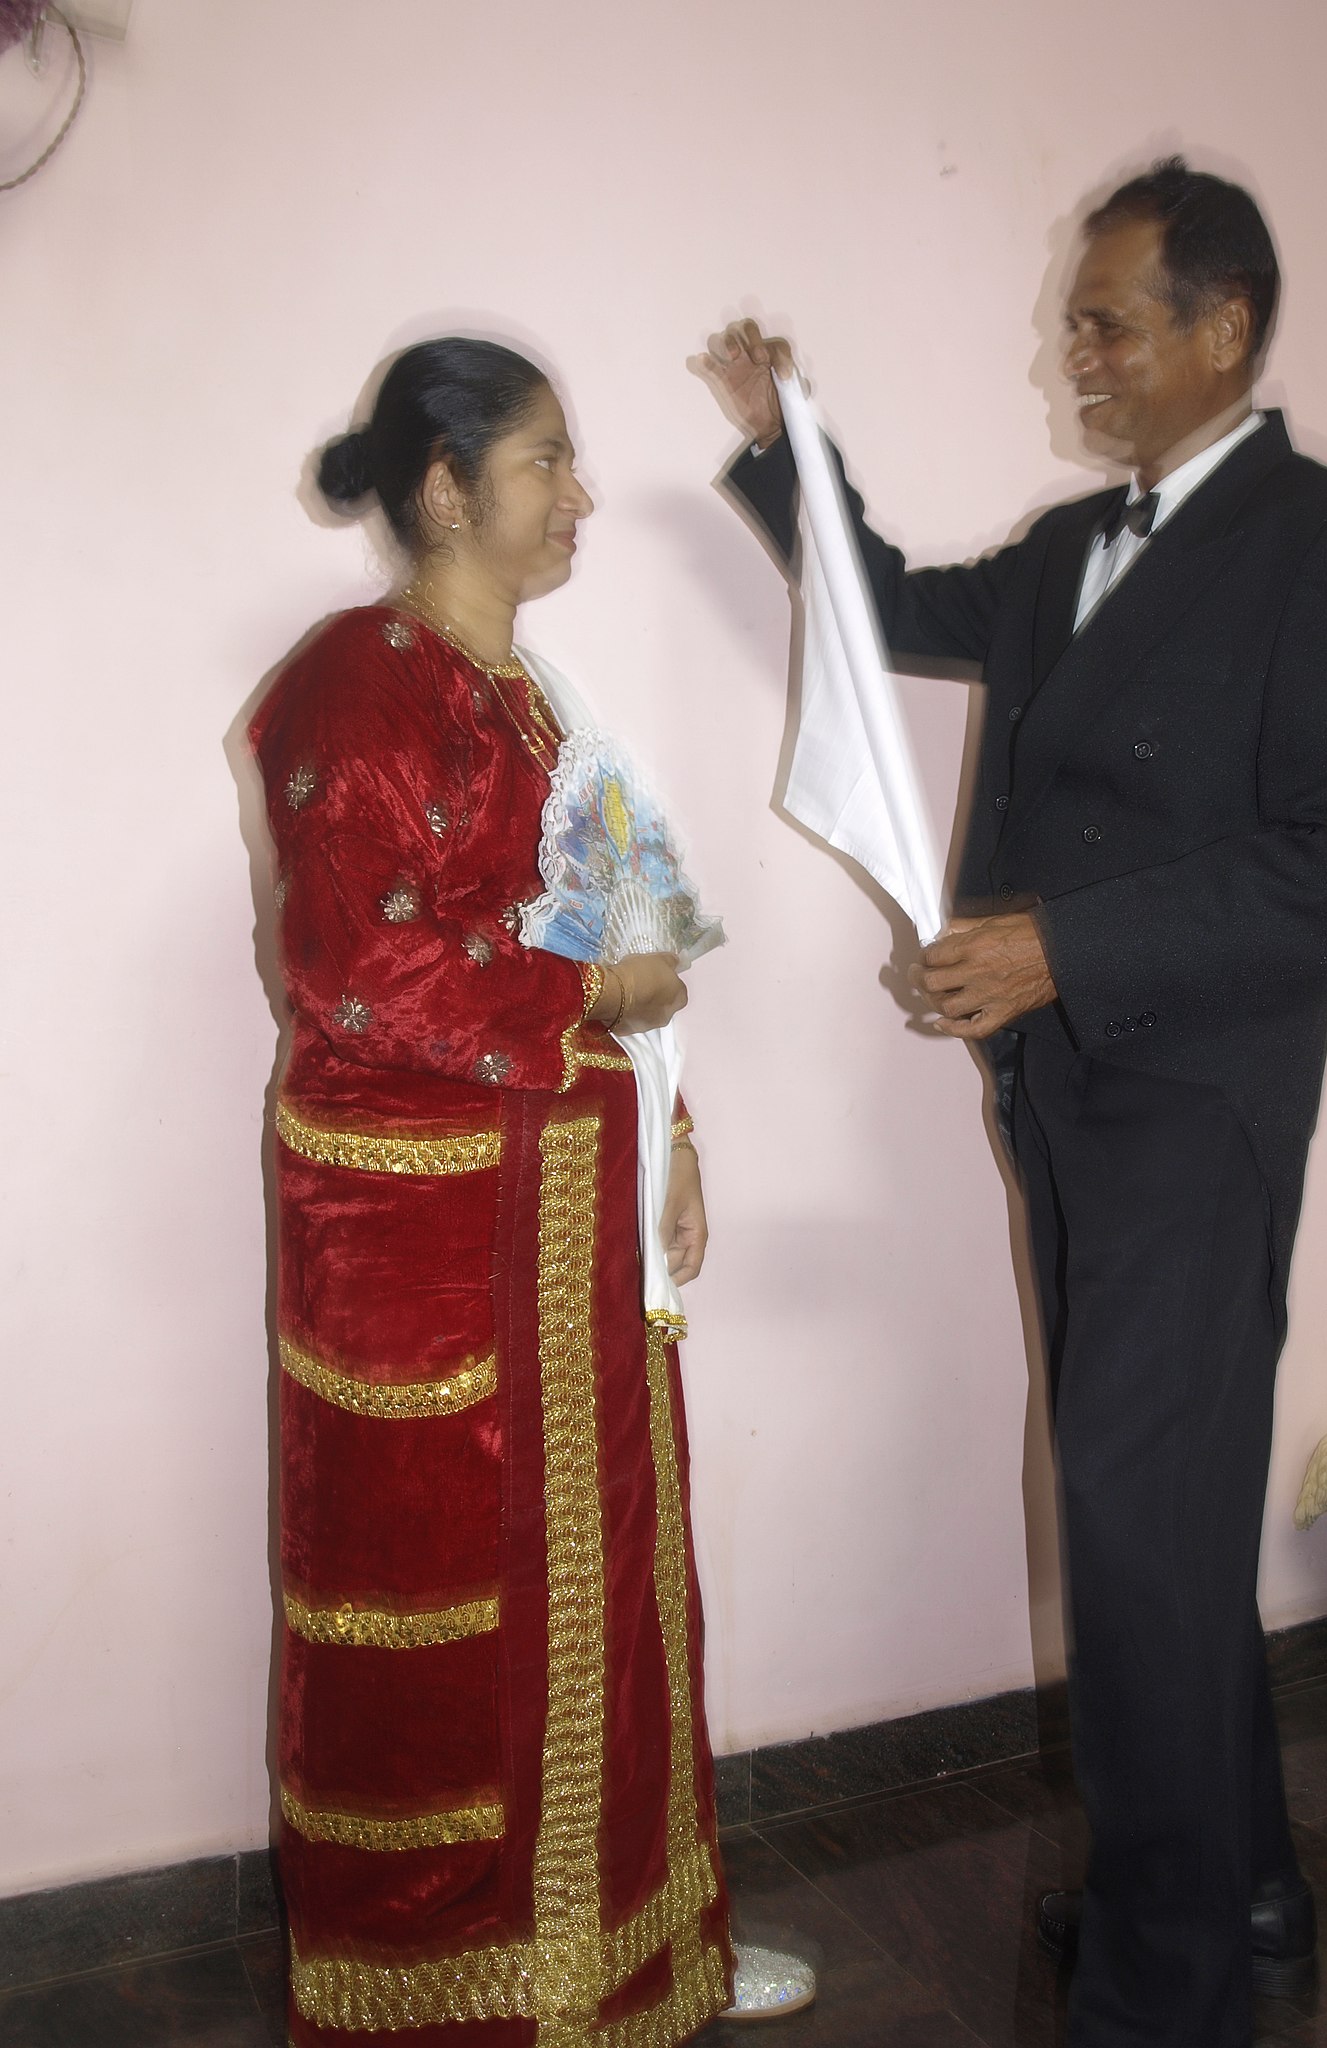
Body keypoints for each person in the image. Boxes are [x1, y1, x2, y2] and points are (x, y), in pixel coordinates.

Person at [695, 158, 1327, 2048]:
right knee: (1162, 1530)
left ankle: (1160, 1994)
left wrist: (1061, 952)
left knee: (1133, 1533)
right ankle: (1248, 1901)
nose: (1077, 355)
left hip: (1198, 1105)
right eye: (1073, 323)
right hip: (1063, 1108)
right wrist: (795, 449)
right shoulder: (1057, 553)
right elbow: (875, 607)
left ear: (1225, 328)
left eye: (1108, 322)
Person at [249, 337, 811, 2045]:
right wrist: (601, 1003)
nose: (579, 498)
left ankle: (633, 1956)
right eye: (548, 464)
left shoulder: (535, 699)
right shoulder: (353, 685)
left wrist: (678, 1141)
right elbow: (352, 973)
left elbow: (623, 928)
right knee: (454, 1638)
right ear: (447, 489)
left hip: (573, 1225)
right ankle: (453, 1997)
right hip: (421, 1249)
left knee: (614, 1597)